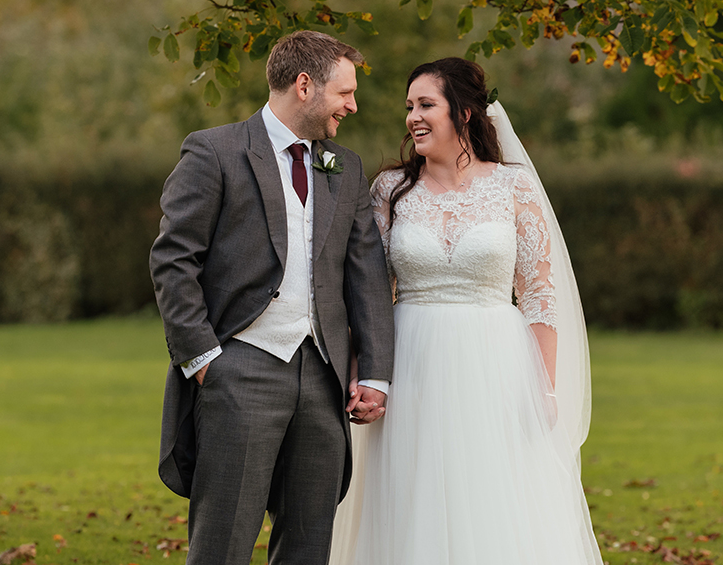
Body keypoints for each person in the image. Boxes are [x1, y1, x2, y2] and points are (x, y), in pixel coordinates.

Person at [329, 57, 602, 565]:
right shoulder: (390, 191)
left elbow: (540, 295)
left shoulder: (513, 187)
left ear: (465, 113)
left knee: (494, 494)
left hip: (497, 366)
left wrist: (544, 387)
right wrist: (362, 373)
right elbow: (366, 294)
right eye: (409, 106)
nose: (413, 117)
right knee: (415, 496)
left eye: (426, 104)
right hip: (411, 365)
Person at [150, 30, 396, 565]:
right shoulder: (214, 151)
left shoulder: (345, 167)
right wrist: (204, 359)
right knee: (224, 542)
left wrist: (373, 373)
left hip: (325, 377)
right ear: (304, 85)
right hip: (239, 369)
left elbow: (366, 275)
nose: (352, 106)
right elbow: (173, 260)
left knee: (309, 543)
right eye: (345, 93)